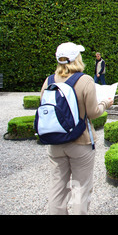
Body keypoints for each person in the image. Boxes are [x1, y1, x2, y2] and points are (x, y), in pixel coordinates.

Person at [41, 42, 113, 215]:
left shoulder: (50, 80)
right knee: (81, 188)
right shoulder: (84, 80)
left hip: (55, 142)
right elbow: (93, 112)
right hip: (81, 141)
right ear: (76, 59)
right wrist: (105, 103)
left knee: (57, 188)